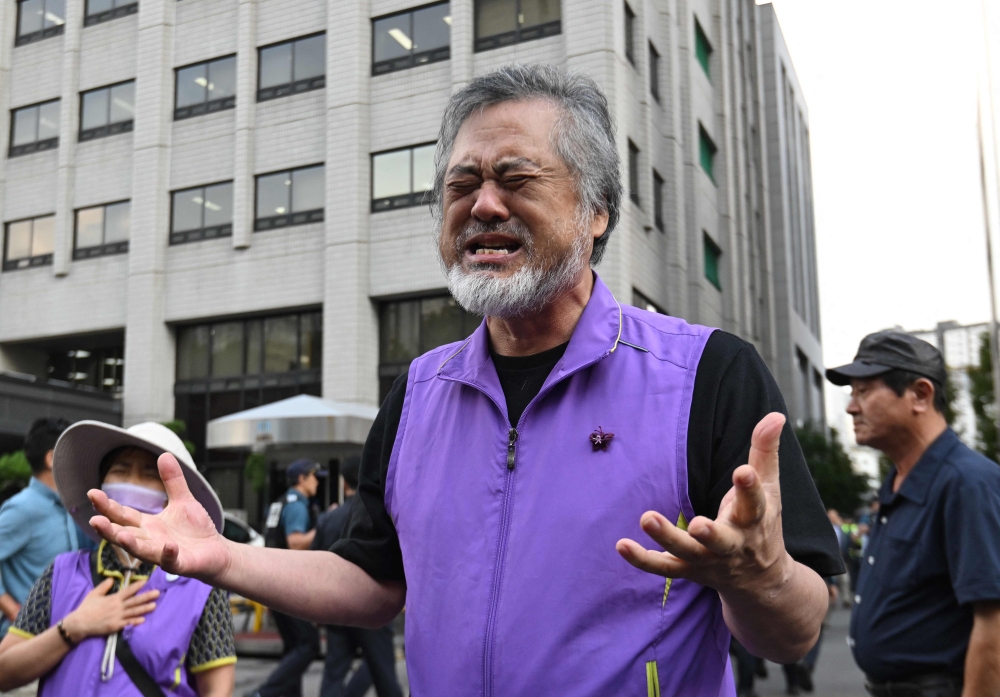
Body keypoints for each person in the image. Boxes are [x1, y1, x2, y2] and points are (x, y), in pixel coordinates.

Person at [87, 64, 843, 696]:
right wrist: (223, 557)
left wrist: (757, 574)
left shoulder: (707, 374)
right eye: (461, 185)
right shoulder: (419, 392)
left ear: (597, 213)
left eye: (516, 178)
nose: (483, 204)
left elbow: (798, 625)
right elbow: (374, 582)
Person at [0, 420, 236, 695]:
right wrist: (73, 627)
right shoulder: (62, 572)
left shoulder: (201, 587)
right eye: (121, 471)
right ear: (101, 487)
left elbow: (217, 690)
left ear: (172, 498)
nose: (133, 483)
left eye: (150, 475)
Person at [827, 330, 1000, 697]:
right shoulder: (899, 484)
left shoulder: (966, 483)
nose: (851, 407)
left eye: (864, 391)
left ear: (920, 395)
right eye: (851, 393)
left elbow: (994, 627)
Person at [312, 456, 402, 697]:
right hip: (374, 605)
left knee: (333, 673)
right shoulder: (379, 516)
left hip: (336, 606)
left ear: (343, 484)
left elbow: (316, 561)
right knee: (384, 673)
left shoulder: (328, 518)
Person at [248, 459, 325, 697]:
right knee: (308, 644)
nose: (317, 481)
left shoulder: (280, 503)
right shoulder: (297, 506)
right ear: (301, 478)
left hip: (272, 581)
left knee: (294, 646)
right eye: (313, 476)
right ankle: (264, 694)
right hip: (287, 583)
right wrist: (323, 526)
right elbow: (295, 542)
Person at [0, 418, 77, 639]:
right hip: (25, 640)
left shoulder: (71, 507)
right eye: (73, 452)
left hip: (61, 635)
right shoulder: (23, 508)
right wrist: (14, 611)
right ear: (51, 458)